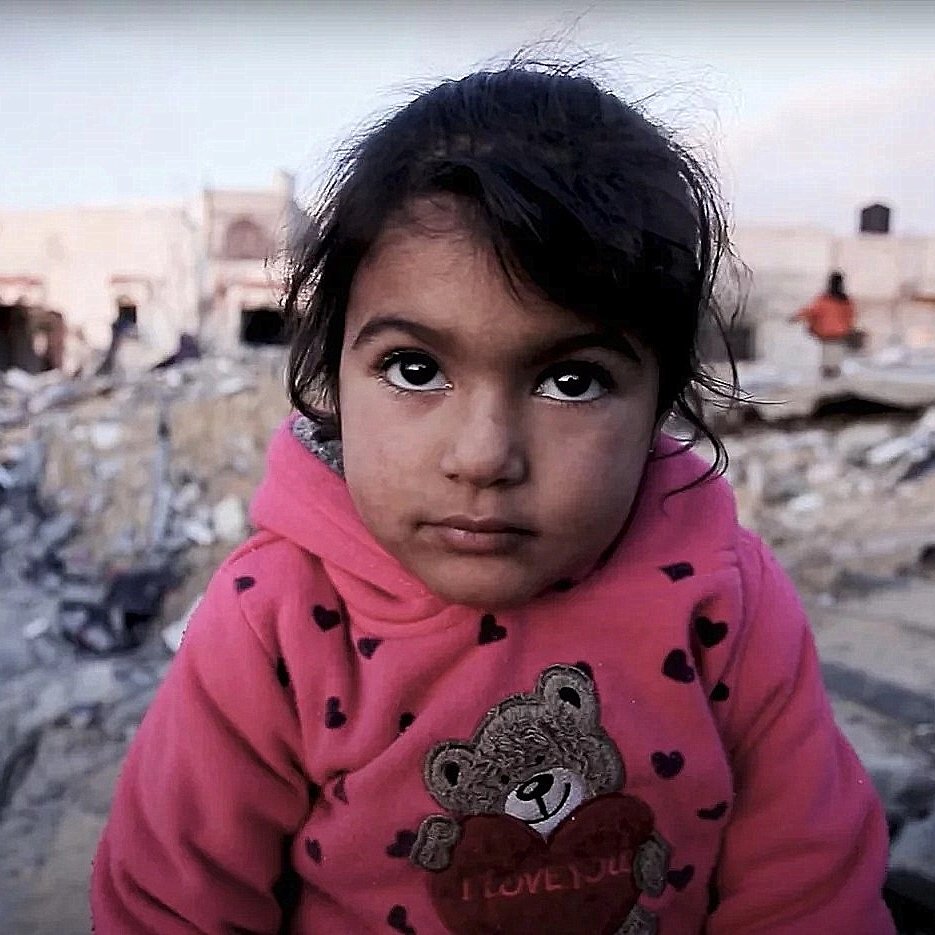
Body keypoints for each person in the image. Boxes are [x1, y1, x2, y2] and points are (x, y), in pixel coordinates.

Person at [90, 63, 894, 934]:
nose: (482, 456)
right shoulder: (276, 617)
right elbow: (170, 904)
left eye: (571, 380)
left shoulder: (726, 597)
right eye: (415, 369)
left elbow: (810, 887)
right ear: (332, 376)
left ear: (659, 401)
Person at [792, 271, 857, 378]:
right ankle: (834, 378)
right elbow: (850, 316)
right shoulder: (846, 301)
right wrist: (848, 329)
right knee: (835, 361)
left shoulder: (823, 299)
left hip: (825, 335)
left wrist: (796, 317)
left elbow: (810, 311)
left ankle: (828, 377)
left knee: (827, 360)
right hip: (840, 335)